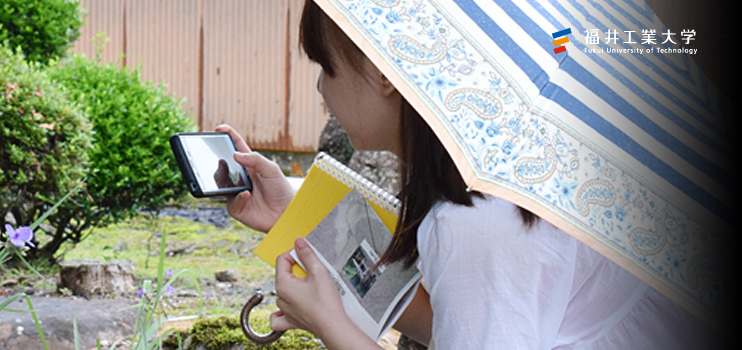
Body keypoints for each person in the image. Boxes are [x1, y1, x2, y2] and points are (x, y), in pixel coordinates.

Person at [216, 1, 721, 349]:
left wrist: (330, 327)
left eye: (326, 66)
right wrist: (298, 217)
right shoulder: (528, 168)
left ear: (385, 71)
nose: (321, 90)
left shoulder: (481, 218)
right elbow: (464, 319)